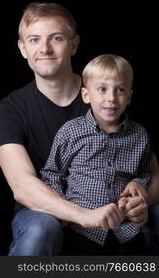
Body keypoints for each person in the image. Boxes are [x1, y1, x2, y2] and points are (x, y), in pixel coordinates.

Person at [0, 2, 159, 256]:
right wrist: (83, 215)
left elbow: (153, 172)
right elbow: (23, 185)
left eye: (56, 38)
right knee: (40, 227)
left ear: (74, 44)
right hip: (46, 212)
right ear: (23, 48)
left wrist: (142, 199)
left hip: (115, 209)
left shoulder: (110, 94)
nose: (45, 48)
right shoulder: (10, 110)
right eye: (34, 39)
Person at [40, 54, 153, 255]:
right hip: (82, 230)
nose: (111, 98)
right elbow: (52, 174)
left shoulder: (139, 135)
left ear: (128, 97)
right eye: (102, 89)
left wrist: (138, 184)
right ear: (86, 95)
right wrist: (63, 212)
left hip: (126, 229)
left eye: (120, 90)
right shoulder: (71, 131)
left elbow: (144, 171)